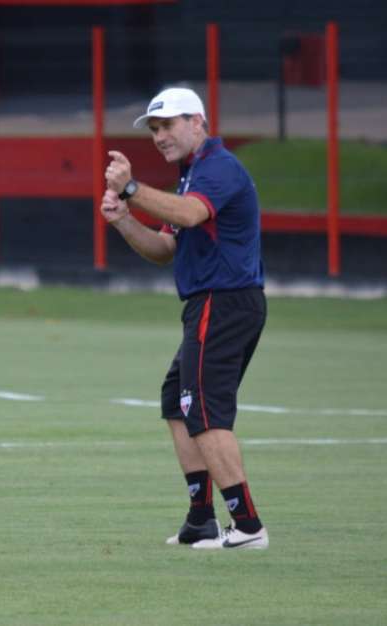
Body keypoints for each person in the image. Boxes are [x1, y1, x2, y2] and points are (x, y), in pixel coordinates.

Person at [101, 87, 269, 550]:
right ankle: (201, 519)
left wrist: (131, 189)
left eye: (168, 125)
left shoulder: (216, 168)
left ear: (198, 122)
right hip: (210, 303)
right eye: (154, 129)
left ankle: (249, 526)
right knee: (178, 401)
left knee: (206, 412)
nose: (159, 136)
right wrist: (122, 219)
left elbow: (192, 216)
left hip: (225, 301)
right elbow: (165, 249)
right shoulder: (191, 176)